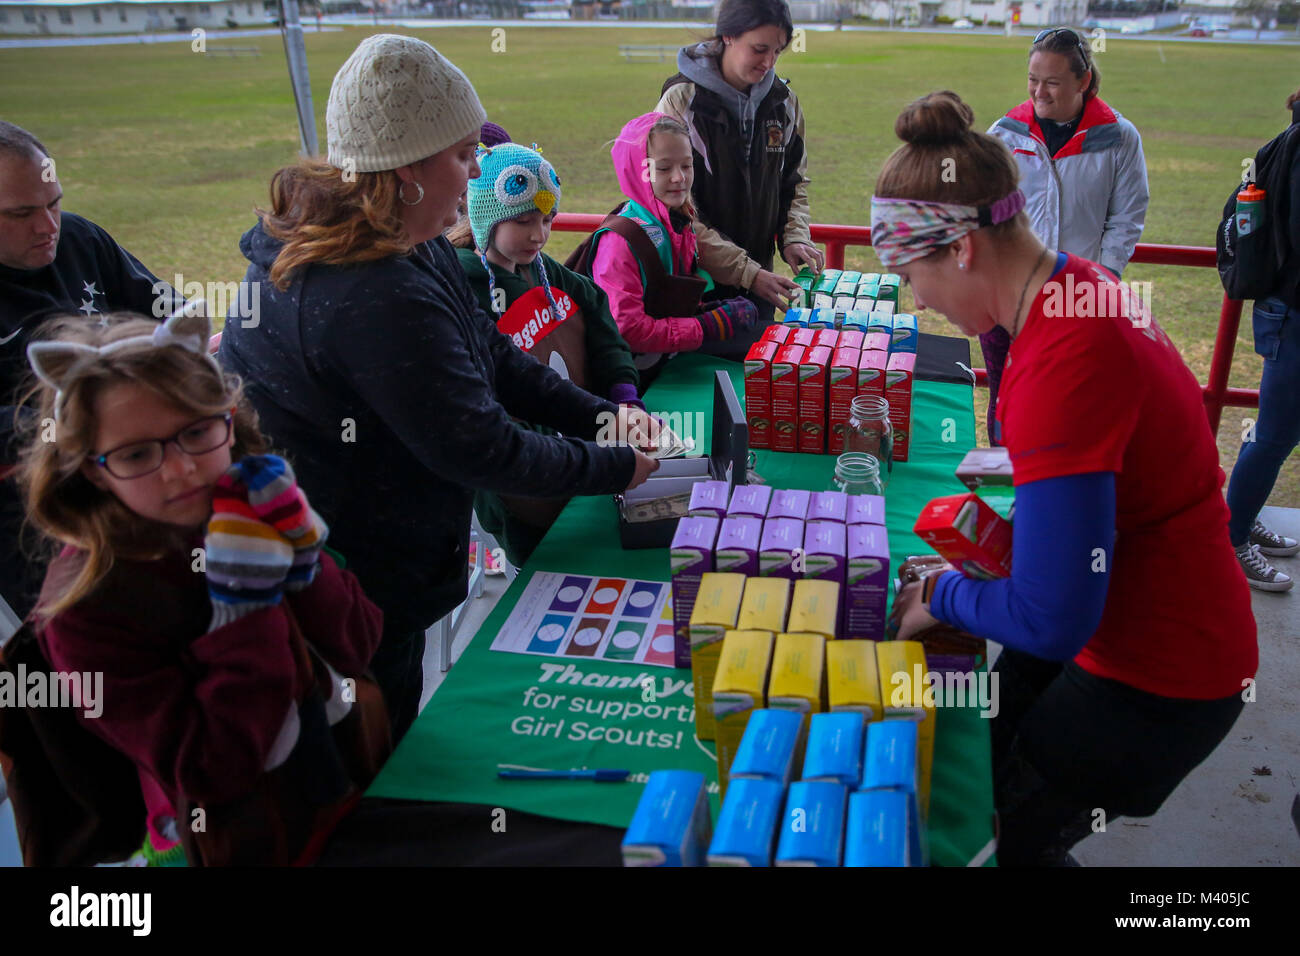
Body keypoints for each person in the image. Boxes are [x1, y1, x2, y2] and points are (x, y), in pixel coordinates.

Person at [219, 35, 660, 742]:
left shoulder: (397, 233)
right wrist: (616, 463)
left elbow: (490, 356)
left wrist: (604, 417)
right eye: (462, 156)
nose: (474, 173)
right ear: (405, 169)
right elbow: (481, 448)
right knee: (369, 760)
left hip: (373, 569)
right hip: (352, 586)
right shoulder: (371, 289)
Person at [878, 92, 1256, 866]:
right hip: (1132, 621)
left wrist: (941, 597)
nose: (914, 298)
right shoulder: (1066, 290)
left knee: (1000, 845)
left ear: (959, 249)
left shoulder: (1067, 359)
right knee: (984, 779)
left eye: (907, 270)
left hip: (1162, 672)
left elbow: (1052, 619)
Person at [15, 305, 386, 866]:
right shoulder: (85, 611)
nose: (182, 470)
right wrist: (245, 608)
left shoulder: (247, 505)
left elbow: (359, 642)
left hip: (343, 780)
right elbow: (213, 767)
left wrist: (305, 560)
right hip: (237, 842)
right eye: (137, 453)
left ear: (228, 420)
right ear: (91, 469)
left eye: (197, 431)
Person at [0, 121, 177, 620]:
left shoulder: (80, 239)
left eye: (53, 202)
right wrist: (79, 420)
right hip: (34, 504)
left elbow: (170, 312)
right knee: (90, 632)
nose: (47, 226)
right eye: (21, 214)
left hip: (140, 465)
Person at [447, 141, 642, 566]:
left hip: (582, 454)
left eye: (548, 219)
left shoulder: (543, 270)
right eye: (522, 221)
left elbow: (598, 314)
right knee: (549, 573)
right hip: (522, 487)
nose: (539, 235)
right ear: (485, 220)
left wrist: (623, 391)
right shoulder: (464, 291)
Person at [981, 27, 1149, 443]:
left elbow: (1126, 217)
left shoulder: (1119, 137)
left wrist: (1101, 280)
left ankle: (1052, 498)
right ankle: (1009, 494)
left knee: (1067, 403)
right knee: (1005, 397)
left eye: (1053, 82)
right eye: (1033, 80)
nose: (1040, 92)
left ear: (1084, 80)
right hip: (1008, 294)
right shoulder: (1004, 133)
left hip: (1078, 296)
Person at [655, 0, 822, 357]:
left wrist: (793, 237)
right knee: (703, 395)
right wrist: (746, 272)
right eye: (760, 49)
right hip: (697, 289)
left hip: (762, 285)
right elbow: (672, 207)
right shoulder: (681, 101)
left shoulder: (785, 103)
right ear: (728, 35)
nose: (769, 63)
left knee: (756, 391)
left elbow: (794, 183)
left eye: (777, 51)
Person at [587, 112, 759, 384]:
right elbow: (626, 328)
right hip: (631, 381)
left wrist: (708, 311)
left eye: (687, 166)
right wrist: (703, 327)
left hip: (666, 359)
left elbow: (665, 302)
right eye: (664, 168)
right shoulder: (621, 239)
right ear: (636, 170)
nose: (679, 177)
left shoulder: (677, 221)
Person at [1225, 87, 1300, 591]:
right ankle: (1230, 539)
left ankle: (1240, 514)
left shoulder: (1286, 141)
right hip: (1293, 313)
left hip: (1285, 310)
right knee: (1274, 434)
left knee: (1278, 434)